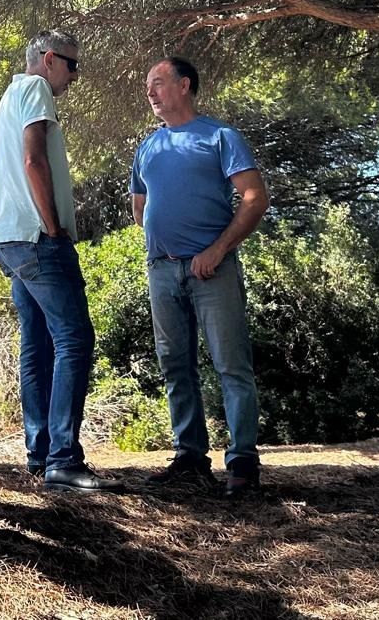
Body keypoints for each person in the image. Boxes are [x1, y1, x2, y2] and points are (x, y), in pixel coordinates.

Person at [0, 31, 121, 493]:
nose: (75, 76)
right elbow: (33, 161)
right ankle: (63, 458)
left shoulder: (10, 95)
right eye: (72, 65)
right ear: (48, 60)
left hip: (9, 238)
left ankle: (41, 453)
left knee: (39, 343)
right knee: (74, 338)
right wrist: (53, 226)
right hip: (35, 238)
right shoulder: (34, 88)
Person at [131, 57, 269, 497]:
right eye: (147, 86)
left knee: (231, 366)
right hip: (162, 270)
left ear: (184, 85)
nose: (150, 92)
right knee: (175, 367)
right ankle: (190, 457)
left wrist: (217, 248)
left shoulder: (220, 136)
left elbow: (254, 196)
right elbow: (140, 207)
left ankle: (243, 464)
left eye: (158, 83)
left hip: (212, 269)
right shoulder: (147, 147)